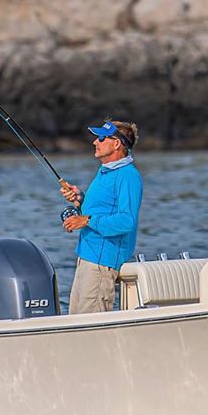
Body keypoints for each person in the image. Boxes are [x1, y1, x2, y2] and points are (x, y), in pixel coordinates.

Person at [60, 119, 143, 314]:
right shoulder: (105, 172)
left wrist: (86, 220)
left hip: (101, 264)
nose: (94, 142)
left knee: (88, 328)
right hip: (86, 257)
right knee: (74, 323)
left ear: (116, 144)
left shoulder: (128, 176)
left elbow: (126, 221)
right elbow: (103, 209)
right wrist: (79, 199)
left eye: (101, 138)